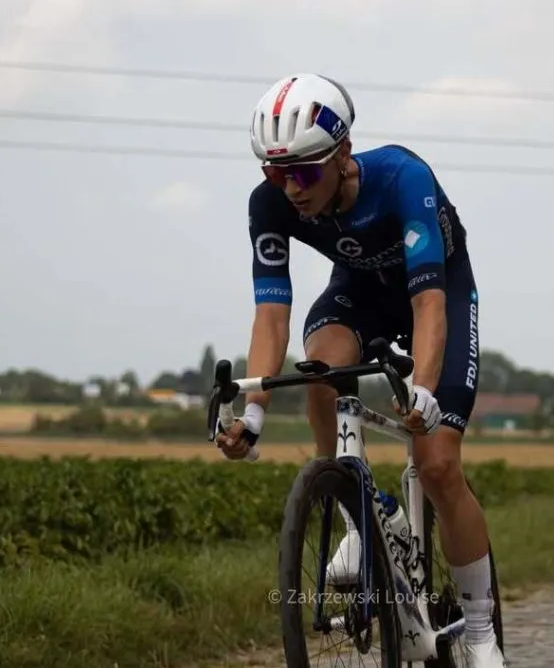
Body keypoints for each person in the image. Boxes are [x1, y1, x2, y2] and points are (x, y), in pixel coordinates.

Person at [214, 74, 505, 666]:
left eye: (303, 172)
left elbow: (429, 304)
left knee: (438, 463)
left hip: (438, 292)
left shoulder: (402, 178)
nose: (289, 188)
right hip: (360, 292)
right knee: (320, 367)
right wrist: (252, 412)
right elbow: (271, 316)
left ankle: (479, 630)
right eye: (274, 172)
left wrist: (424, 390)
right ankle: (355, 508)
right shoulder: (269, 203)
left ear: (343, 153)